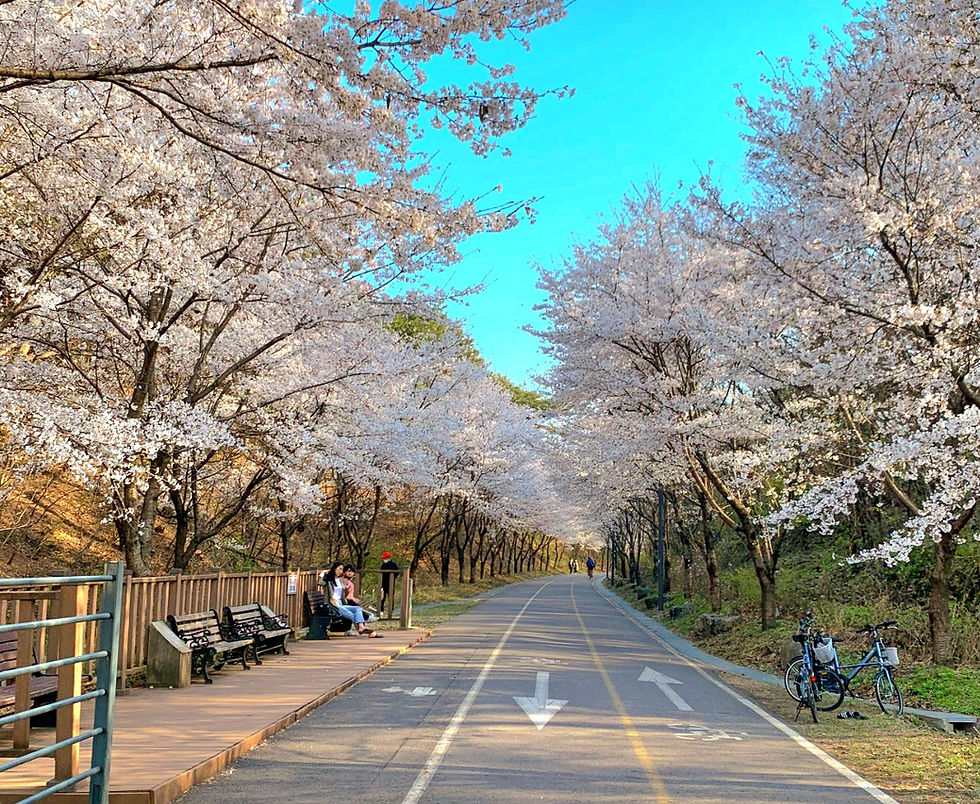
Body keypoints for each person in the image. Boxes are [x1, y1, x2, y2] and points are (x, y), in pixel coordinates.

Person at [326, 561, 381, 637]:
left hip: (340, 603)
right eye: (339, 569)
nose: (341, 571)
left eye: (342, 570)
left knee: (357, 609)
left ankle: (362, 628)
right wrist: (323, 574)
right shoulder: (329, 580)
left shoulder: (340, 580)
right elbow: (320, 582)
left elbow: (346, 591)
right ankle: (365, 629)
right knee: (351, 615)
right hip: (333, 605)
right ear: (334, 569)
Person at [379, 551, 399, 615]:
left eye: (385, 558)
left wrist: (393, 578)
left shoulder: (394, 565)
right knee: (382, 597)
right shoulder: (383, 565)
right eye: (383, 558)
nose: (383, 559)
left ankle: (391, 610)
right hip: (383, 583)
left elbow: (397, 572)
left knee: (391, 597)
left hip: (391, 583)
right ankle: (381, 609)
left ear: (389, 558)